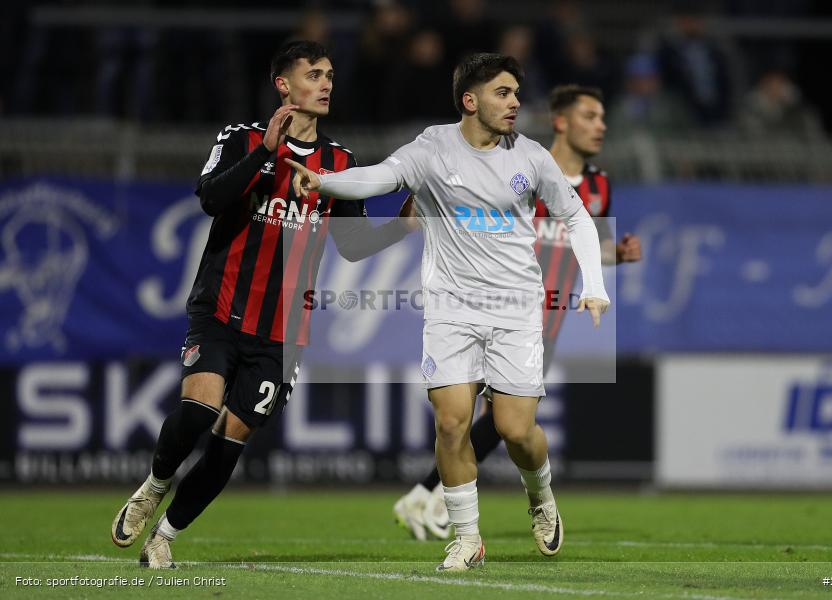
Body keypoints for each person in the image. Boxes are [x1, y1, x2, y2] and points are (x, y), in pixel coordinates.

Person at [286, 53, 611, 572]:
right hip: (450, 310)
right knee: (452, 423)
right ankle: (466, 538)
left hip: (515, 310)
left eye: (515, 93)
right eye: (502, 93)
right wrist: (323, 181)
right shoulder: (432, 149)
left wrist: (593, 284)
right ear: (470, 100)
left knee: (514, 430)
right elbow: (378, 178)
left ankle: (541, 496)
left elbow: (577, 216)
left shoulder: (528, 156)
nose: (513, 103)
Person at [109, 40, 415, 569]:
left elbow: (351, 243)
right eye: (314, 74)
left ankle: (165, 537)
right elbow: (209, 199)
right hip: (222, 306)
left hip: (284, 330)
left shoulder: (339, 163)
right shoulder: (241, 138)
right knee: (198, 408)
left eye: (330, 75)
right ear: (284, 85)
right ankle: (154, 485)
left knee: (231, 440)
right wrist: (263, 155)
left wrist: (401, 228)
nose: (326, 84)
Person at [392, 84, 642, 542]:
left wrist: (613, 256)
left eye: (603, 117)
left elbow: (572, 239)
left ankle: (431, 495)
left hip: (539, 319)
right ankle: (434, 498)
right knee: (467, 417)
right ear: (561, 121)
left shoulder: (599, 185)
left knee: (508, 423)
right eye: (590, 116)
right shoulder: (519, 165)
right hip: (484, 304)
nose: (601, 126)